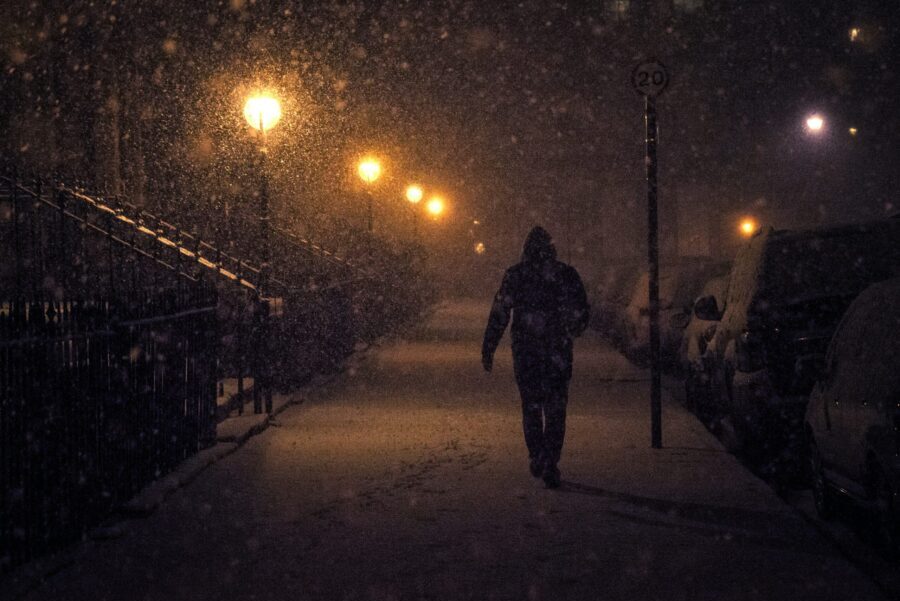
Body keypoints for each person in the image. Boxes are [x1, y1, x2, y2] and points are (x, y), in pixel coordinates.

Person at [481, 226, 590, 489]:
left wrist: (489, 346)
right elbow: (581, 311)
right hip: (557, 351)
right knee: (556, 409)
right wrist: (572, 328)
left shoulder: (517, 275)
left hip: (527, 351)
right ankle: (550, 459)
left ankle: (537, 453)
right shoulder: (565, 274)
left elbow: (501, 312)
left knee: (531, 406)